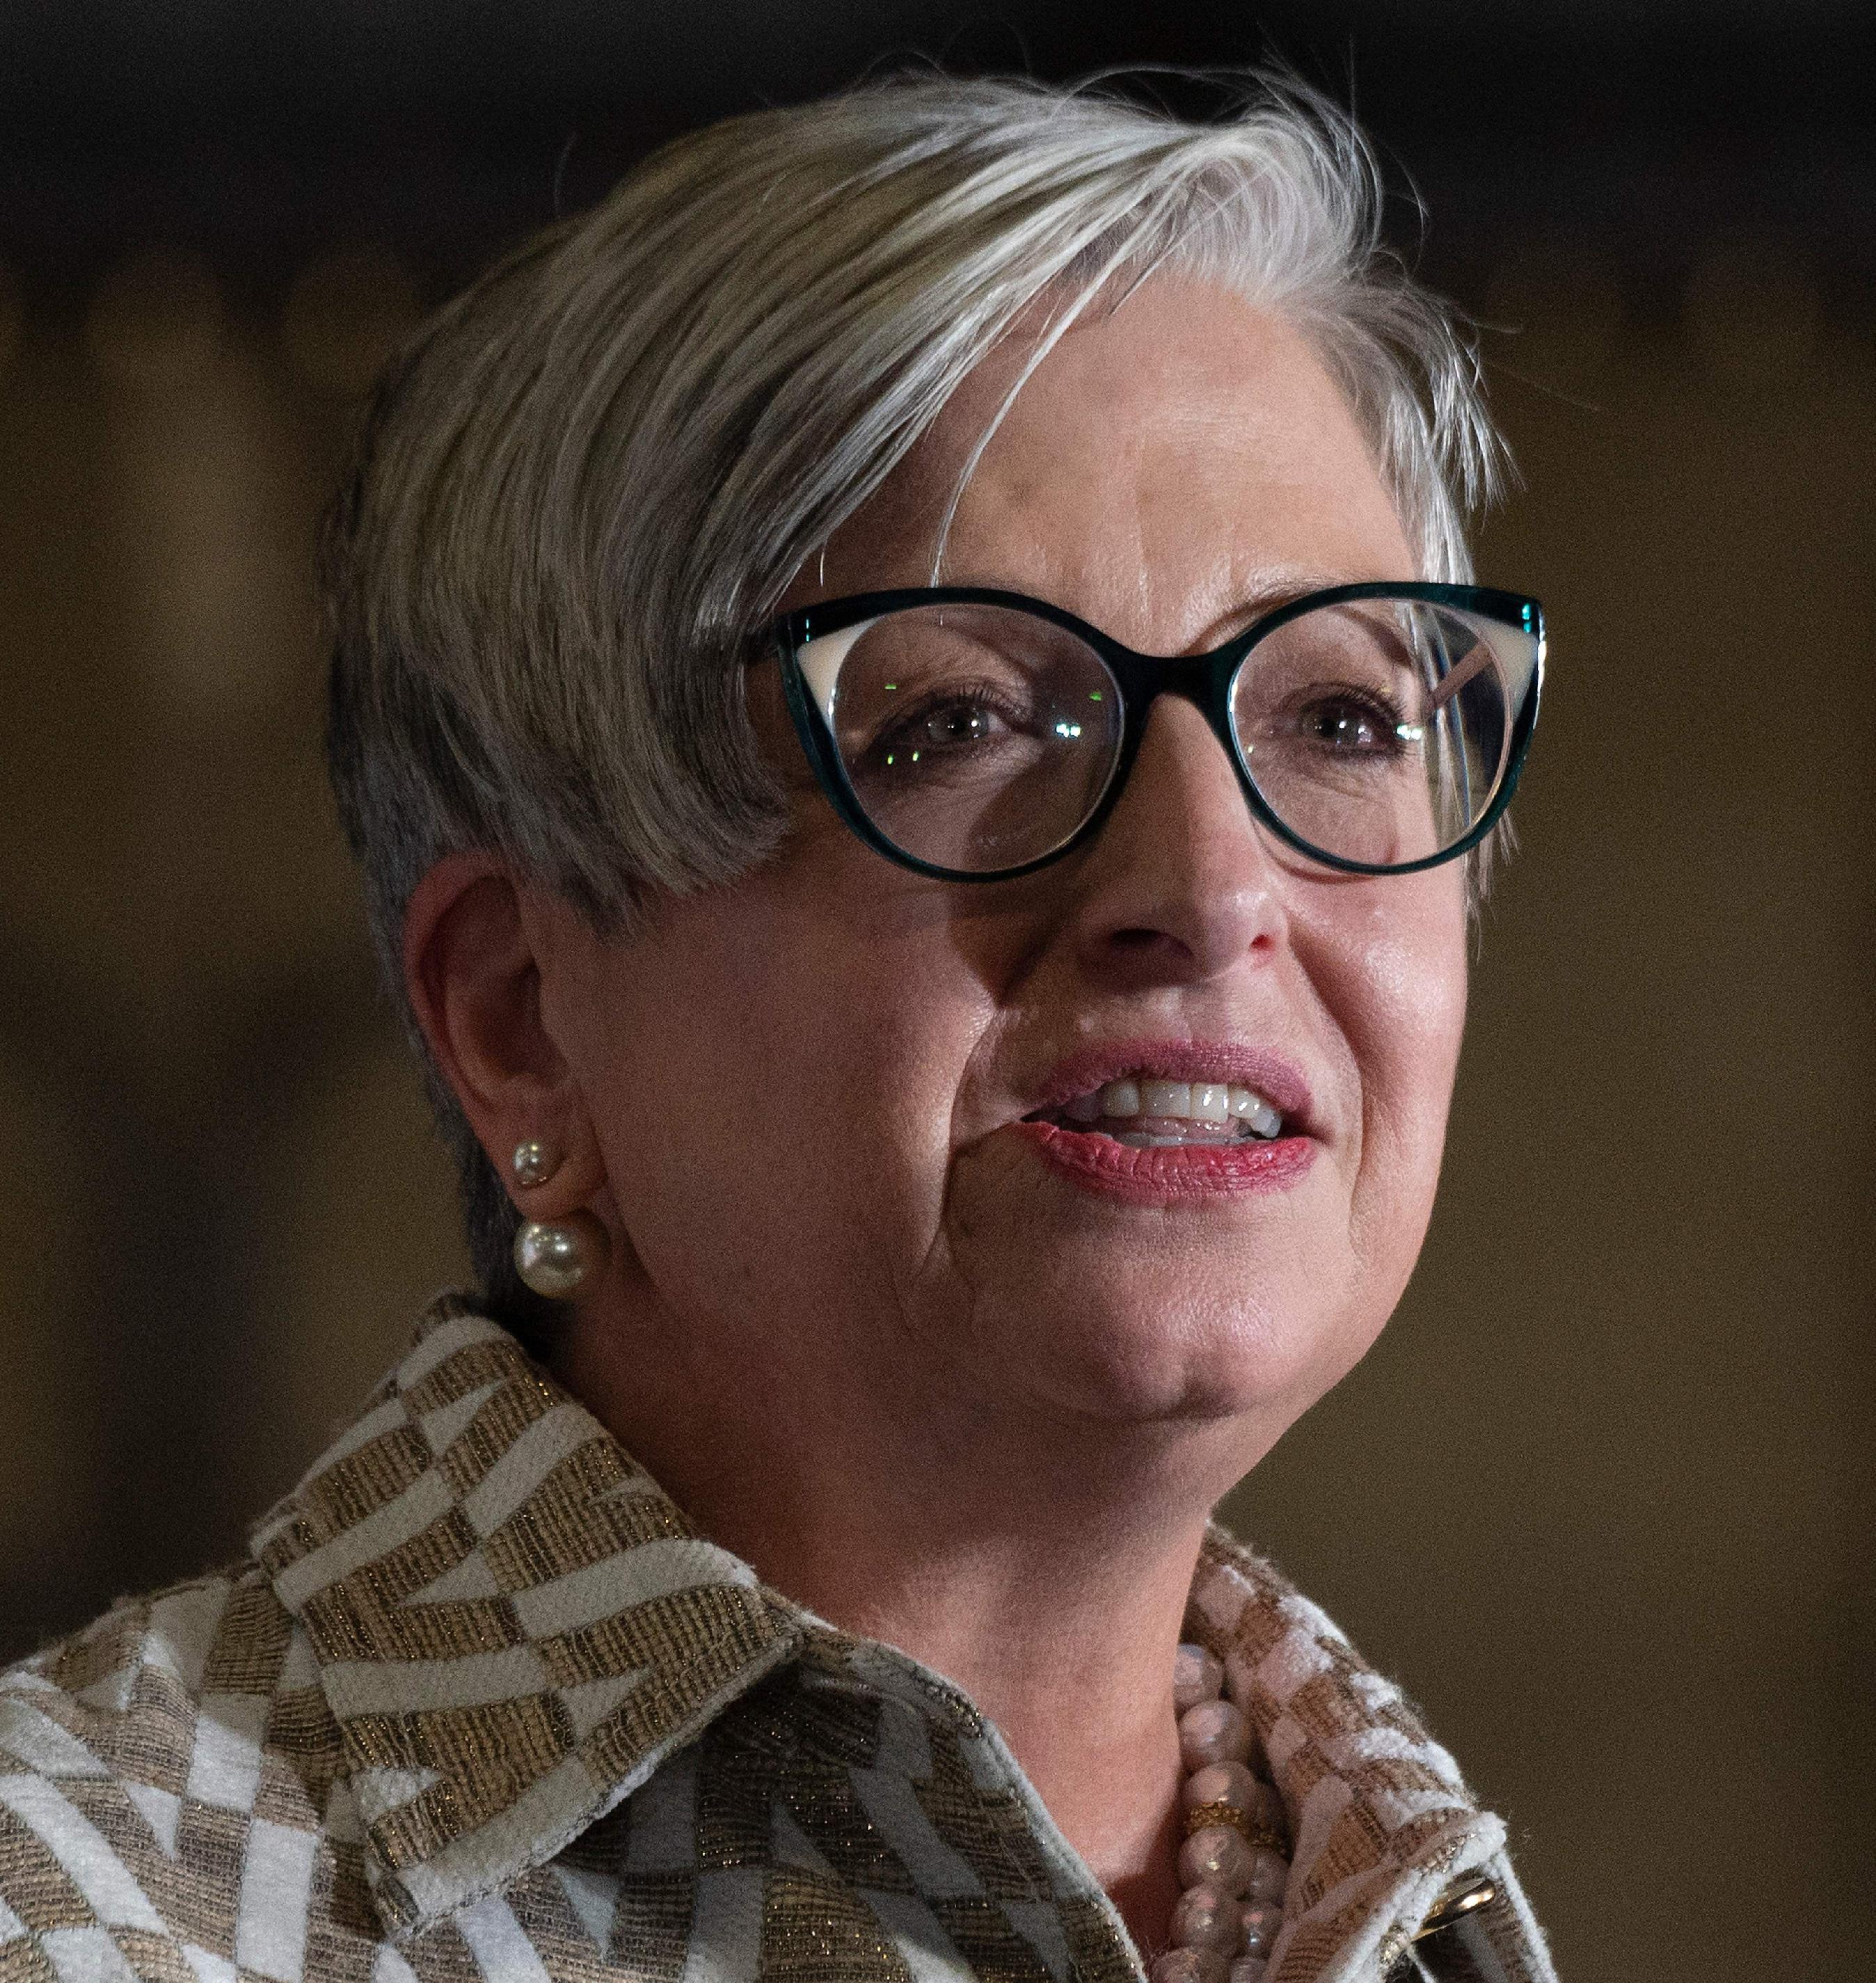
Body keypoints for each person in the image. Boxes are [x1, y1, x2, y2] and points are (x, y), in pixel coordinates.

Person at [0, 72, 1550, 1983]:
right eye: (959, 721)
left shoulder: (1405, 1917)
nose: (1214, 885)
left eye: (1338, 716)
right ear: (520, 1020)